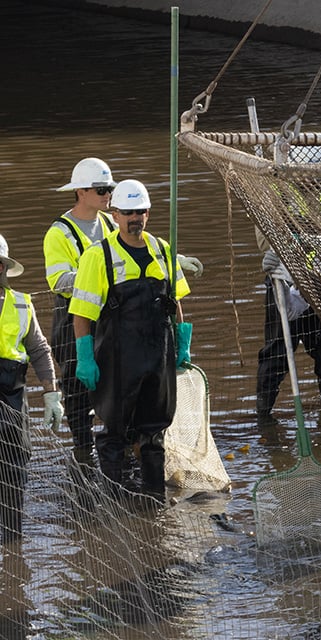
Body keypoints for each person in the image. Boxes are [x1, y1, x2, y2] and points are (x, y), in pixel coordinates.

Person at [46, 157, 202, 461]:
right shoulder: (59, 233)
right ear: (81, 192)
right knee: (78, 393)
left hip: (111, 317)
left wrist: (169, 260)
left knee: (117, 390)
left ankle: (125, 449)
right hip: (72, 318)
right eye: (102, 190)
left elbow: (128, 251)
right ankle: (83, 456)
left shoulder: (109, 221)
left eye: (110, 191)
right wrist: (98, 276)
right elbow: (58, 280)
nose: (107, 196)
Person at [69, 179, 191, 496]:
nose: (134, 218)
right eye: (127, 212)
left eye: (139, 211)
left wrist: (183, 340)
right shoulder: (99, 256)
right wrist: (85, 357)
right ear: (115, 214)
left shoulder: (164, 250)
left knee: (153, 433)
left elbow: (175, 300)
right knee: (114, 433)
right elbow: (81, 313)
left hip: (157, 358)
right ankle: (114, 500)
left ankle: (153, 500)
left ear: (148, 213)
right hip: (117, 362)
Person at [255, 145, 321, 424]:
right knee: (276, 353)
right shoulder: (275, 194)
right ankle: (263, 416)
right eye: (312, 173)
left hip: (319, 283)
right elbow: (265, 240)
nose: (318, 179)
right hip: (282, 280)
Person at [0, 235, 63, 541]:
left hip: (11, 398)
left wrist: (51, 393)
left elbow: (39, 350)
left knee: (14, 469)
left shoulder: (22, 305)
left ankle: (12, 545)